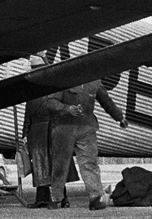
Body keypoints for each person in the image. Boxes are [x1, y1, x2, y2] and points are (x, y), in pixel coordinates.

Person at [40, 79, 127, 210]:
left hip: (84, 127)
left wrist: (119, 117)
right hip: (65, 128)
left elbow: (106, 101)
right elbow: (49, 102)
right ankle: (57, 197)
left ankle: (95, 197)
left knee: (89, 163)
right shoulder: (64, 79)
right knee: (60, 164)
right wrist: (66, 108)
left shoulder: (94, 82)